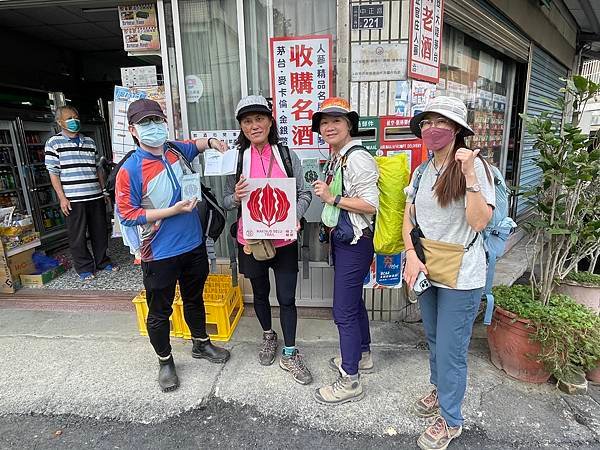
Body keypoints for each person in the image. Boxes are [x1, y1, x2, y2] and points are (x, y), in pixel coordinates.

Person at [115, 99, 230, 392]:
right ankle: (165, 361)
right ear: (133, 130)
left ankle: (201, 344)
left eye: (157, 121)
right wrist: (171, 211)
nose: (154, 127)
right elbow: (127, 215)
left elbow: (197, 144)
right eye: (145, 123)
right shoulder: (131, 169)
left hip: (193, 245)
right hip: (159, 252)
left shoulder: (176, 150)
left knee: (195, 299)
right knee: (159, 312)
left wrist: (214, 142)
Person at [402, 96, 495, 450]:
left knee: (453, 350)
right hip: (426, 266)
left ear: (456, 129)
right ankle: (439, 390)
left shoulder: (476, 169)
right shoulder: (422, 171)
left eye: (439, 122)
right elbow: (408, 217)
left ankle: (451, 419)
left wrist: (470, 174)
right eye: (426, 122)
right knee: (436, 340)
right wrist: (410, 254)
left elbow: (479, 221)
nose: (431, 129)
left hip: (462, 274)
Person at [223, 95, 313, 385]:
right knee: (259, 294)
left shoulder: (286, 155)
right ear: (241, 127)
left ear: (270, 121)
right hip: (251, 241)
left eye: (259, 119)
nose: (254, 125)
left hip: (284, 240)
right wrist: (235, 197)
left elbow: (304, 193)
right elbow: (226, 201)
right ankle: (268, 336)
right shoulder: (237, 158)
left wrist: (294, 216)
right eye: (247, 121)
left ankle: (290, 351)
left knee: (286, 297)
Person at [312, 97, 379, 405]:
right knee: (353, 303)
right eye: (324, 122)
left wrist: (332, 198)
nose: (329, 127)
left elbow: (370, 205)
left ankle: (350, 380)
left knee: (343, 311)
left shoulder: (357, 158)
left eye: (336, 121)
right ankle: (362, 355)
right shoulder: (340, 156)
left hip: (356, 241)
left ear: (349, 124)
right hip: (344, 239)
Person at [45, 106, 116, 281]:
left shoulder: (90, 142)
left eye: (76, 117)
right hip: (73, 198)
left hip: (95, 196)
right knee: (77, 235)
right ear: (59, 122)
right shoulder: (54, 143)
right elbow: (53, 173)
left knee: (100, 231)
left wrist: (104, 191)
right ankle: (84, 267)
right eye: (69, 118)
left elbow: (98, 169)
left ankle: (102, 261)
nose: (74, 120)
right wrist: (62, 198)